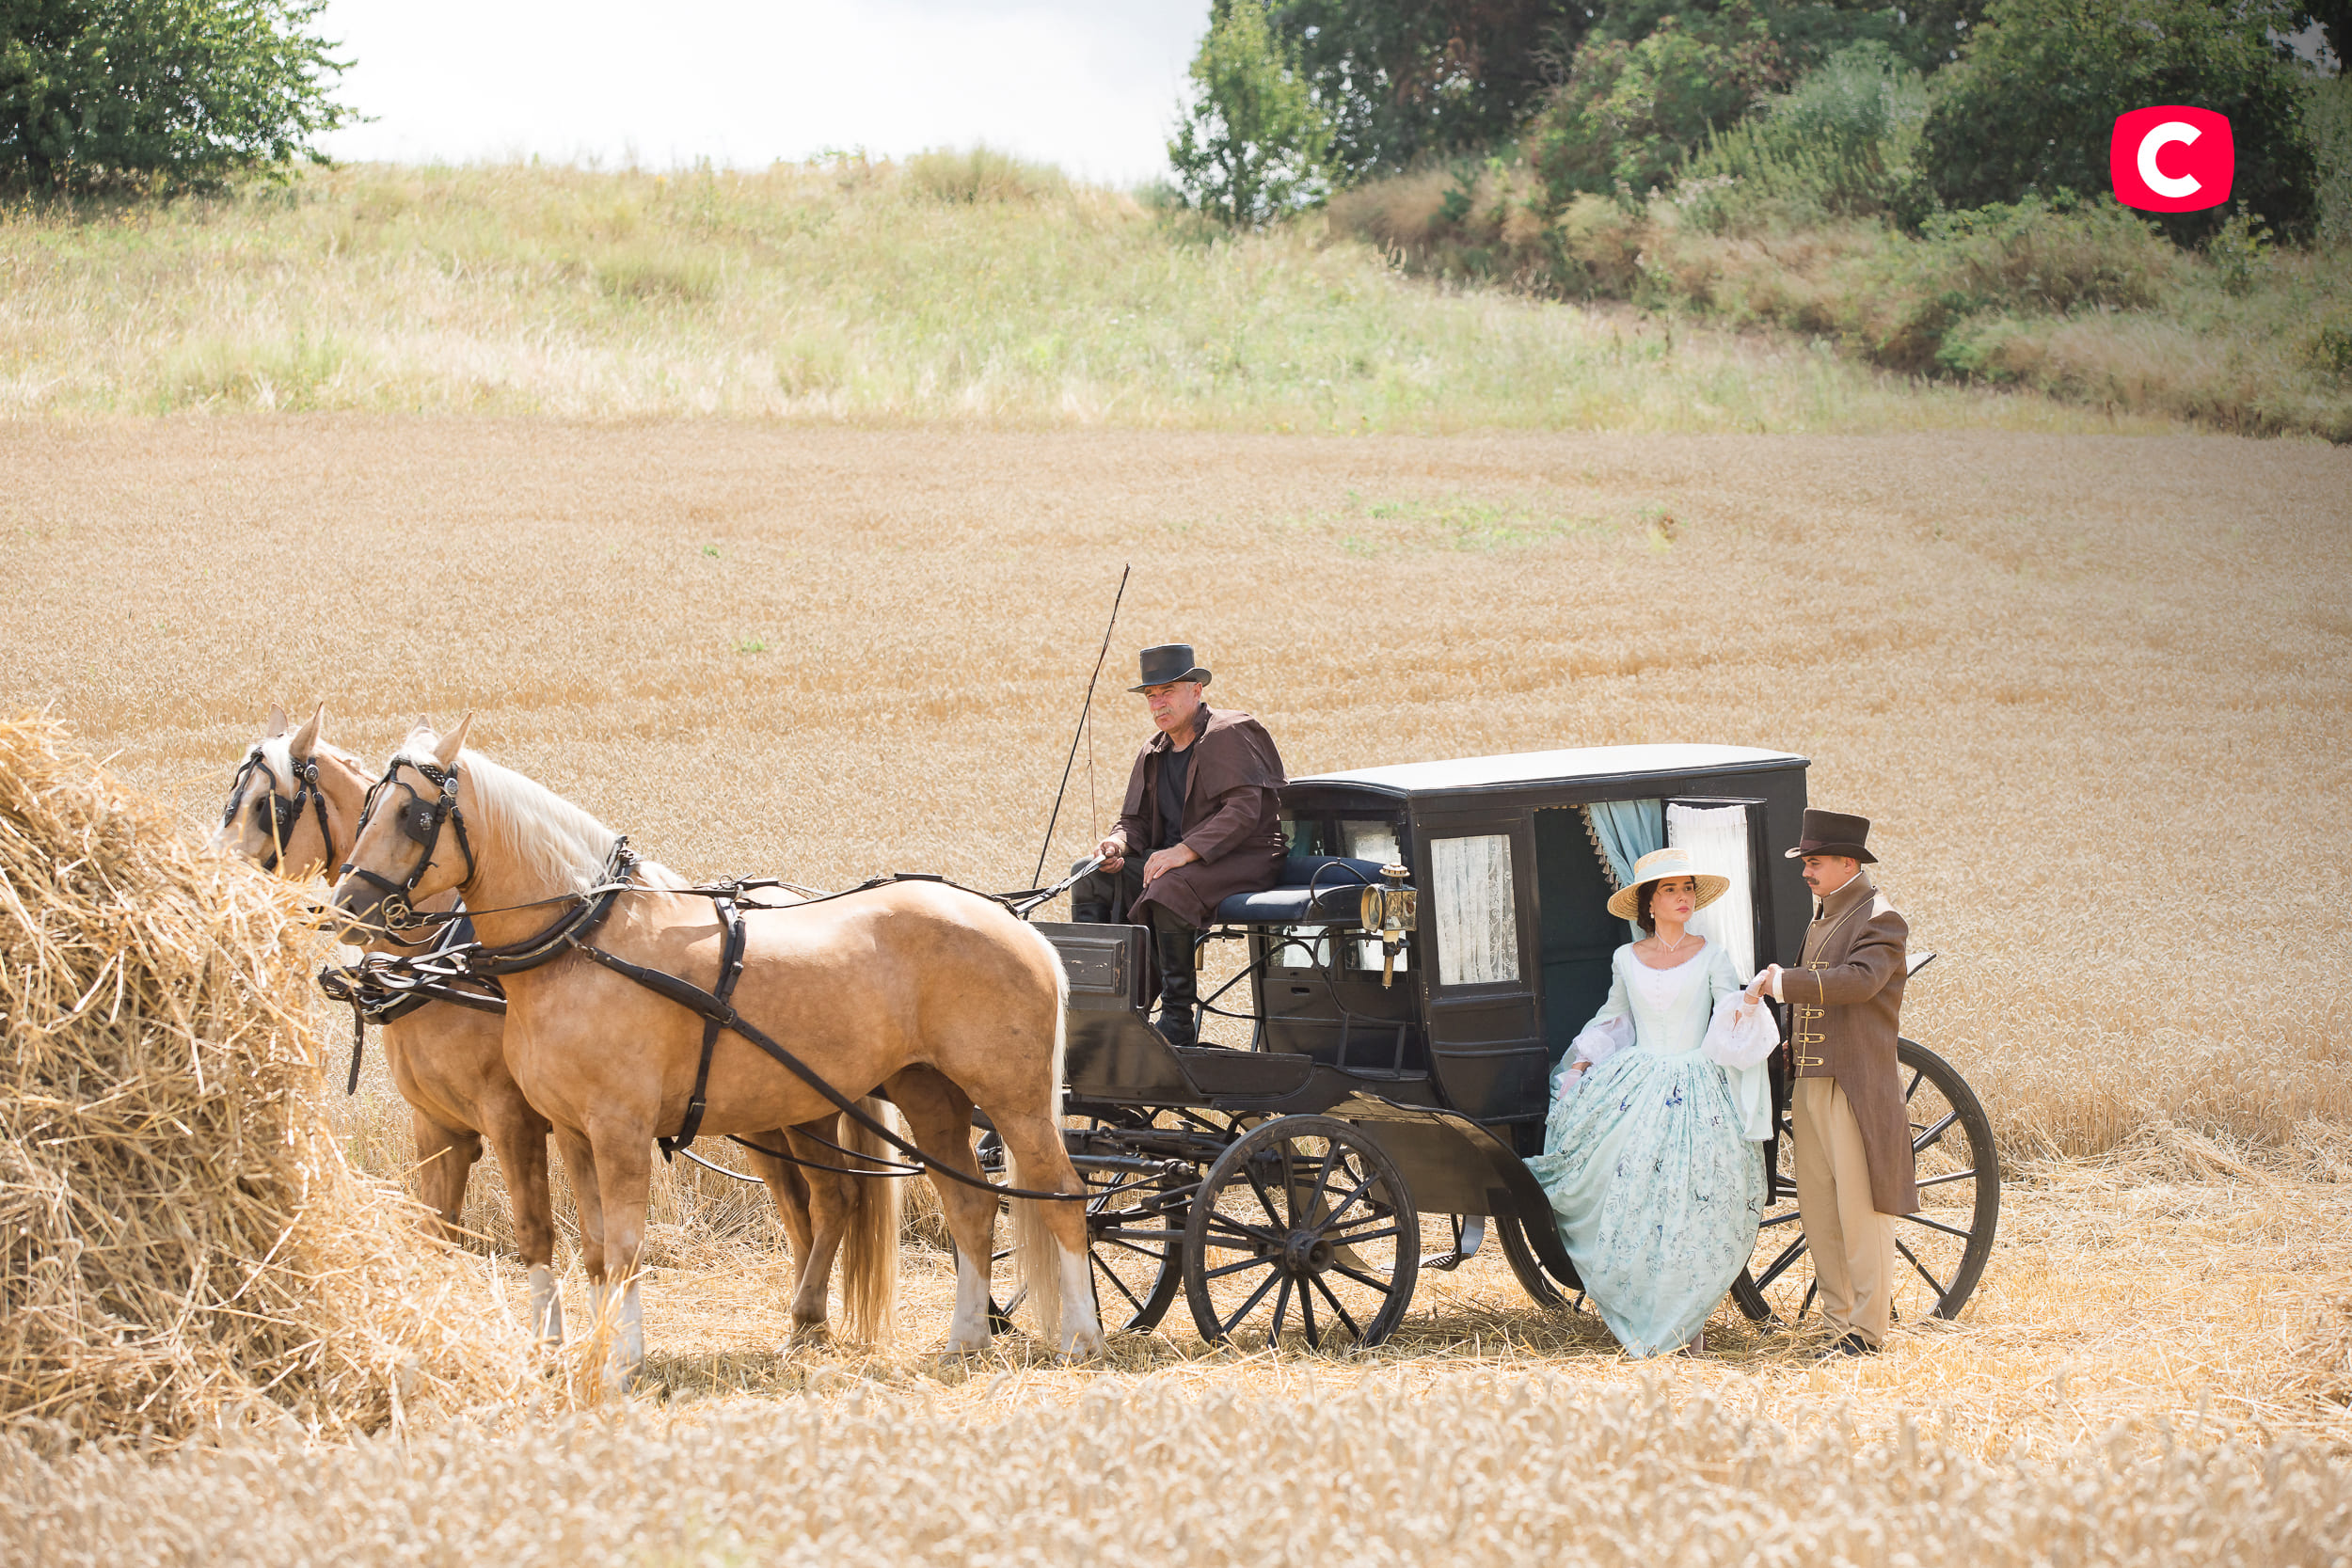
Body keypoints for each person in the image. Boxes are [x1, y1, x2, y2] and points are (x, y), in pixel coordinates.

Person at [1525, 846, 1780, 1357]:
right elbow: (1614, 1018)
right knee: (1635, 1200)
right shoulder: (1626, 957)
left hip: (1697, 1082)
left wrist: (1749, 1001)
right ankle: (1646, 1311)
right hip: (1636, 1082)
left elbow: (1727, 1011)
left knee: (1690, 1202)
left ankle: (1687, 1326)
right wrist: (1581, 1063)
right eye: (1671, 889)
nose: (1683, 897)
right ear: (1648, 902)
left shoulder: (1711, 953)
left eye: (1688, 888)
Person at [1753, 808, 1917, 1358]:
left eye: (1815, 862)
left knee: (1861, 1210)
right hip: (1810, 1080)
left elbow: (1860, 982)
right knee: (1821, 1210)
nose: (1806, 870)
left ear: (1848, 863)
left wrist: (1785, 982)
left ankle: (1866, 1332)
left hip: (1851, 1082)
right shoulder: (1824, 916)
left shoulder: (1881, 918)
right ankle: (1836, 1323)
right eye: (1806, 861)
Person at [1070, 643, 1287, 1048]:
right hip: (1175, 865)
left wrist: (1183, 852)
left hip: (1244, 858)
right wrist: (1116, 845)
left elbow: (1243, 810)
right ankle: (1099, 1008)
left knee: (1169, 886)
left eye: (1167, 690)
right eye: (1151, 695)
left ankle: (1177, 1019)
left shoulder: (1228, 732)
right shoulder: (1154, 751)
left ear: (1196, 690)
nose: (1158, 702)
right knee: (1087, 875)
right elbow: (1134, 822)